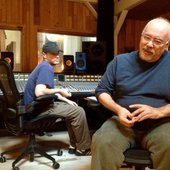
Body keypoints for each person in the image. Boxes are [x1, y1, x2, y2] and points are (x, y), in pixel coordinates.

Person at [91, 17, 170, 170]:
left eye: (157, 41)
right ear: (141, 36)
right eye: (147, 37)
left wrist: (158, 112)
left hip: (160, 124)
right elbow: (101, 91)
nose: (149, 44)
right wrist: (118, 109)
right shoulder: (119, 62)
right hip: (122, 123)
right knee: (102, 141)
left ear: (167, 45)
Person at [23, 41, 91, 156]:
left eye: (58, 53)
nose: (57, 56)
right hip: (37, 110)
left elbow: (49, 93)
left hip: (34, 108)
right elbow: (39, 92)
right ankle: (83, 148)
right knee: (79, 111)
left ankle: (73, 145)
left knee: (72, 108)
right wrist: (60, 90)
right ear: (44, 55)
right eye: (53, 54)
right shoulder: (46, 68)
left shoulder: (43, 67)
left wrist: (67, 100)